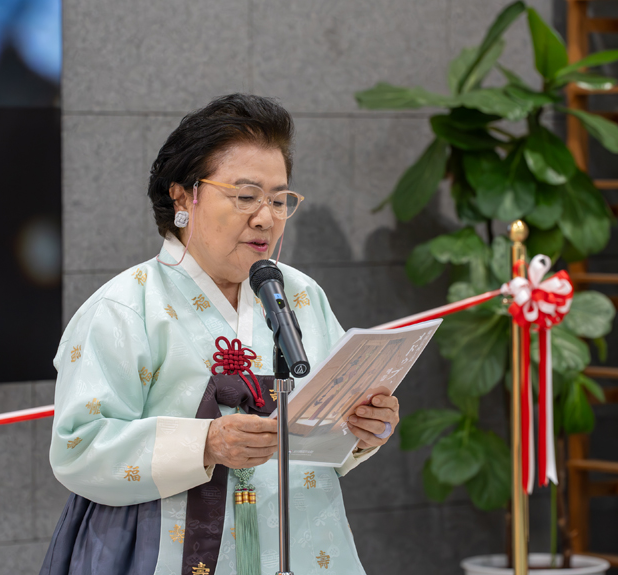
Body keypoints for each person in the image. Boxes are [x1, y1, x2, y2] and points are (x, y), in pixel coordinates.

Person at [41, 94, 400, 575]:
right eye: (246, 196)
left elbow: (326, 429)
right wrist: (206, 443)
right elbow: (78, 447)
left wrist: (362, 430)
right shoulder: (126, 306)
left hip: (304, 541)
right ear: (184, 196)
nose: (266, 218)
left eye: (278, 199)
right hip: (165, 546)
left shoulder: (300, 294)